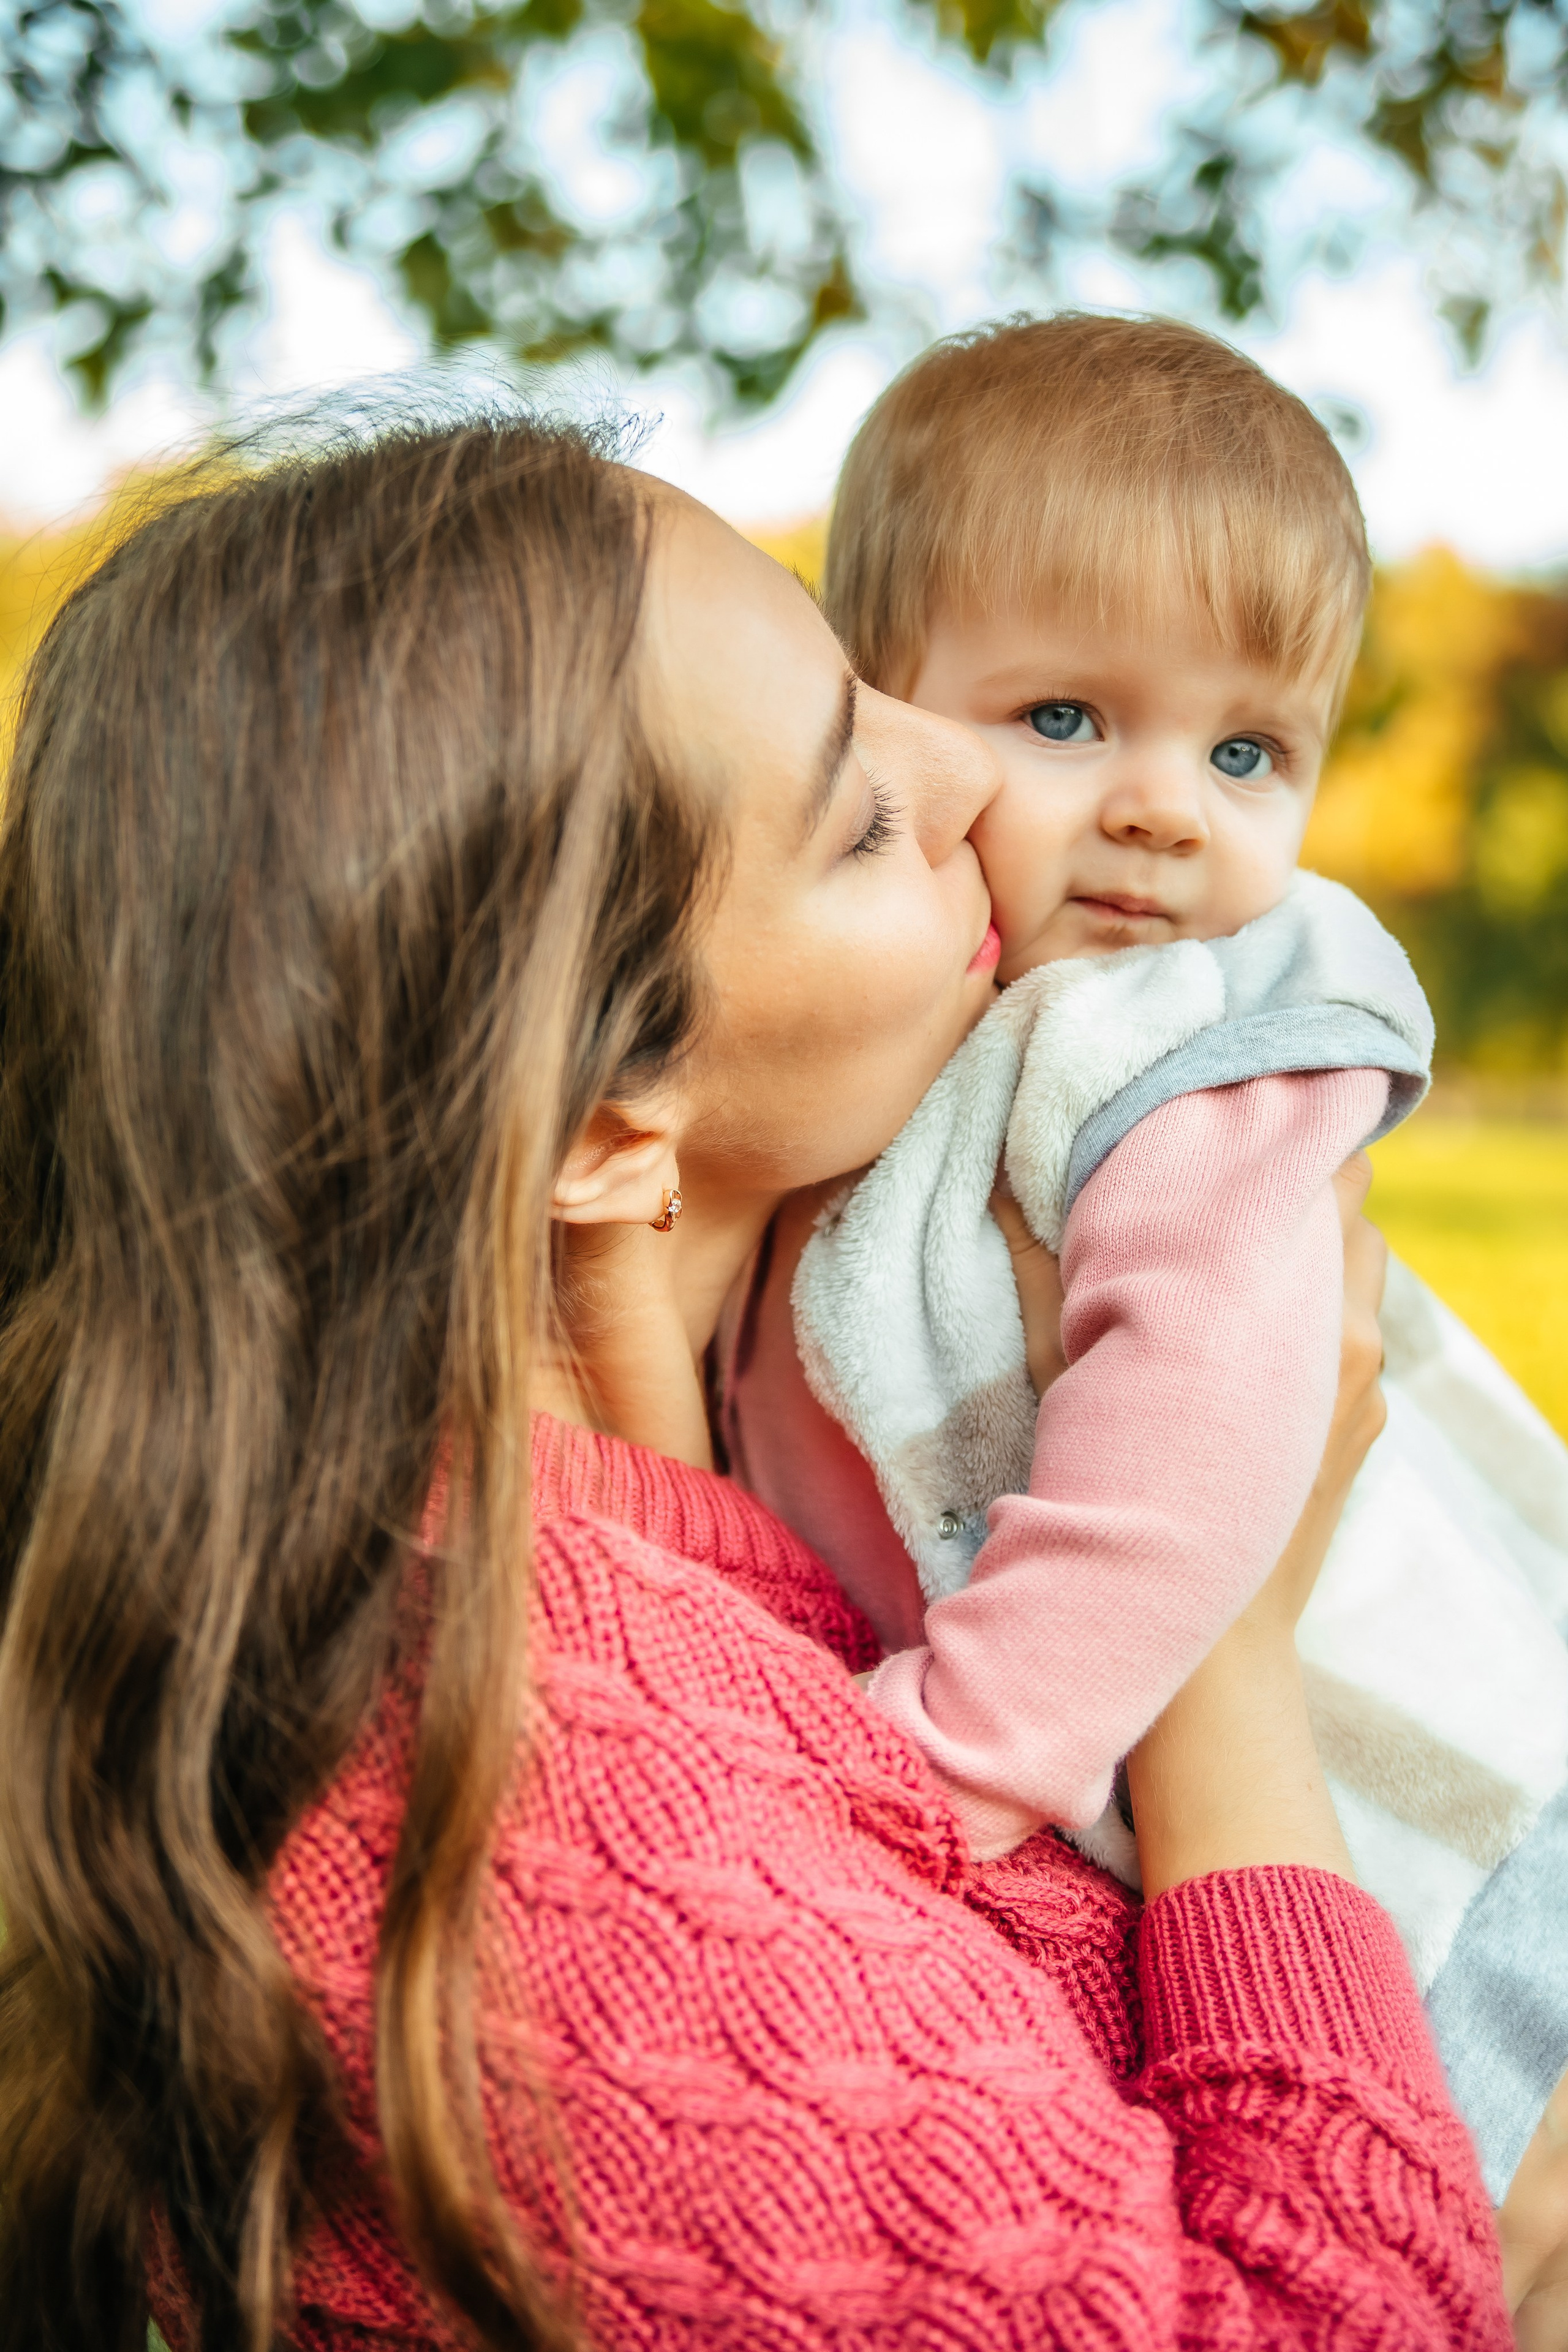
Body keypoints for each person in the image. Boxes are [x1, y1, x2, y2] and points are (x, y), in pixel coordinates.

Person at [0, 415, 1513, 2350]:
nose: (969, 765)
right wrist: (1225, 1640)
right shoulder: (539, 1842)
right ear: (605, 1127)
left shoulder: (687, 1500)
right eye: (858, 811)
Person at [720, 314, 1568, 2196]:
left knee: (1456, 2226)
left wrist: (961, 1750)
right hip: (1180, 1821)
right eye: (1065, 718)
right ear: (881, 712)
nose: (1164, 805)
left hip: (1436, 1825)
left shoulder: (1182, 1041)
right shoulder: (918, 1034)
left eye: (1249, 748)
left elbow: (1199, 1440)